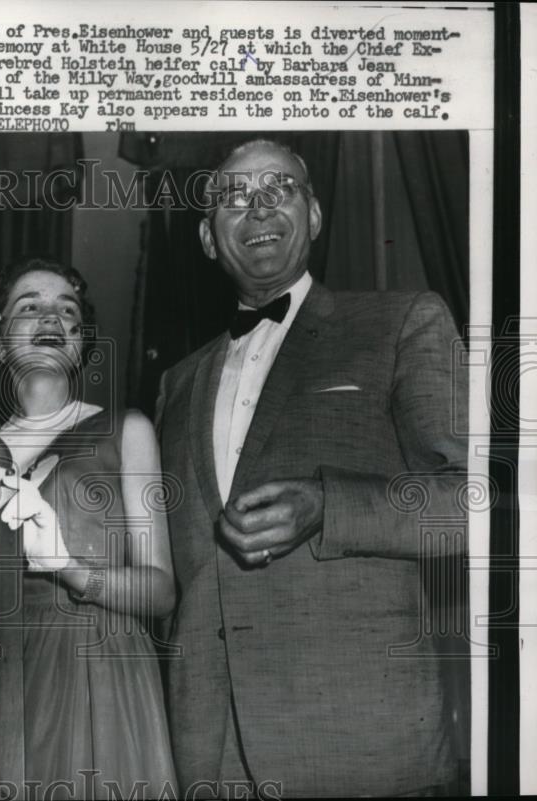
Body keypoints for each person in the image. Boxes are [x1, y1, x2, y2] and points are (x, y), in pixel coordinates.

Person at [155, 139, 467, 797]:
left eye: (281, 188)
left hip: (362, 741)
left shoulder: (402, 321)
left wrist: (328, 504)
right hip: (212, 752)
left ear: (315, 215)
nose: (259, 205)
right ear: (209, 238)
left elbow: (474, 506)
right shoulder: (173, 386)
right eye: (234, 196)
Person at [0, 257, 178, 800]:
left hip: (103, 673)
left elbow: (163, 591)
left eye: (66, 309)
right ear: (0, 340)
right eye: (29, 306)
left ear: (80, 342)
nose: (50, 316)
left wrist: (72, 571)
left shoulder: (129, 430)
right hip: (5, 685)